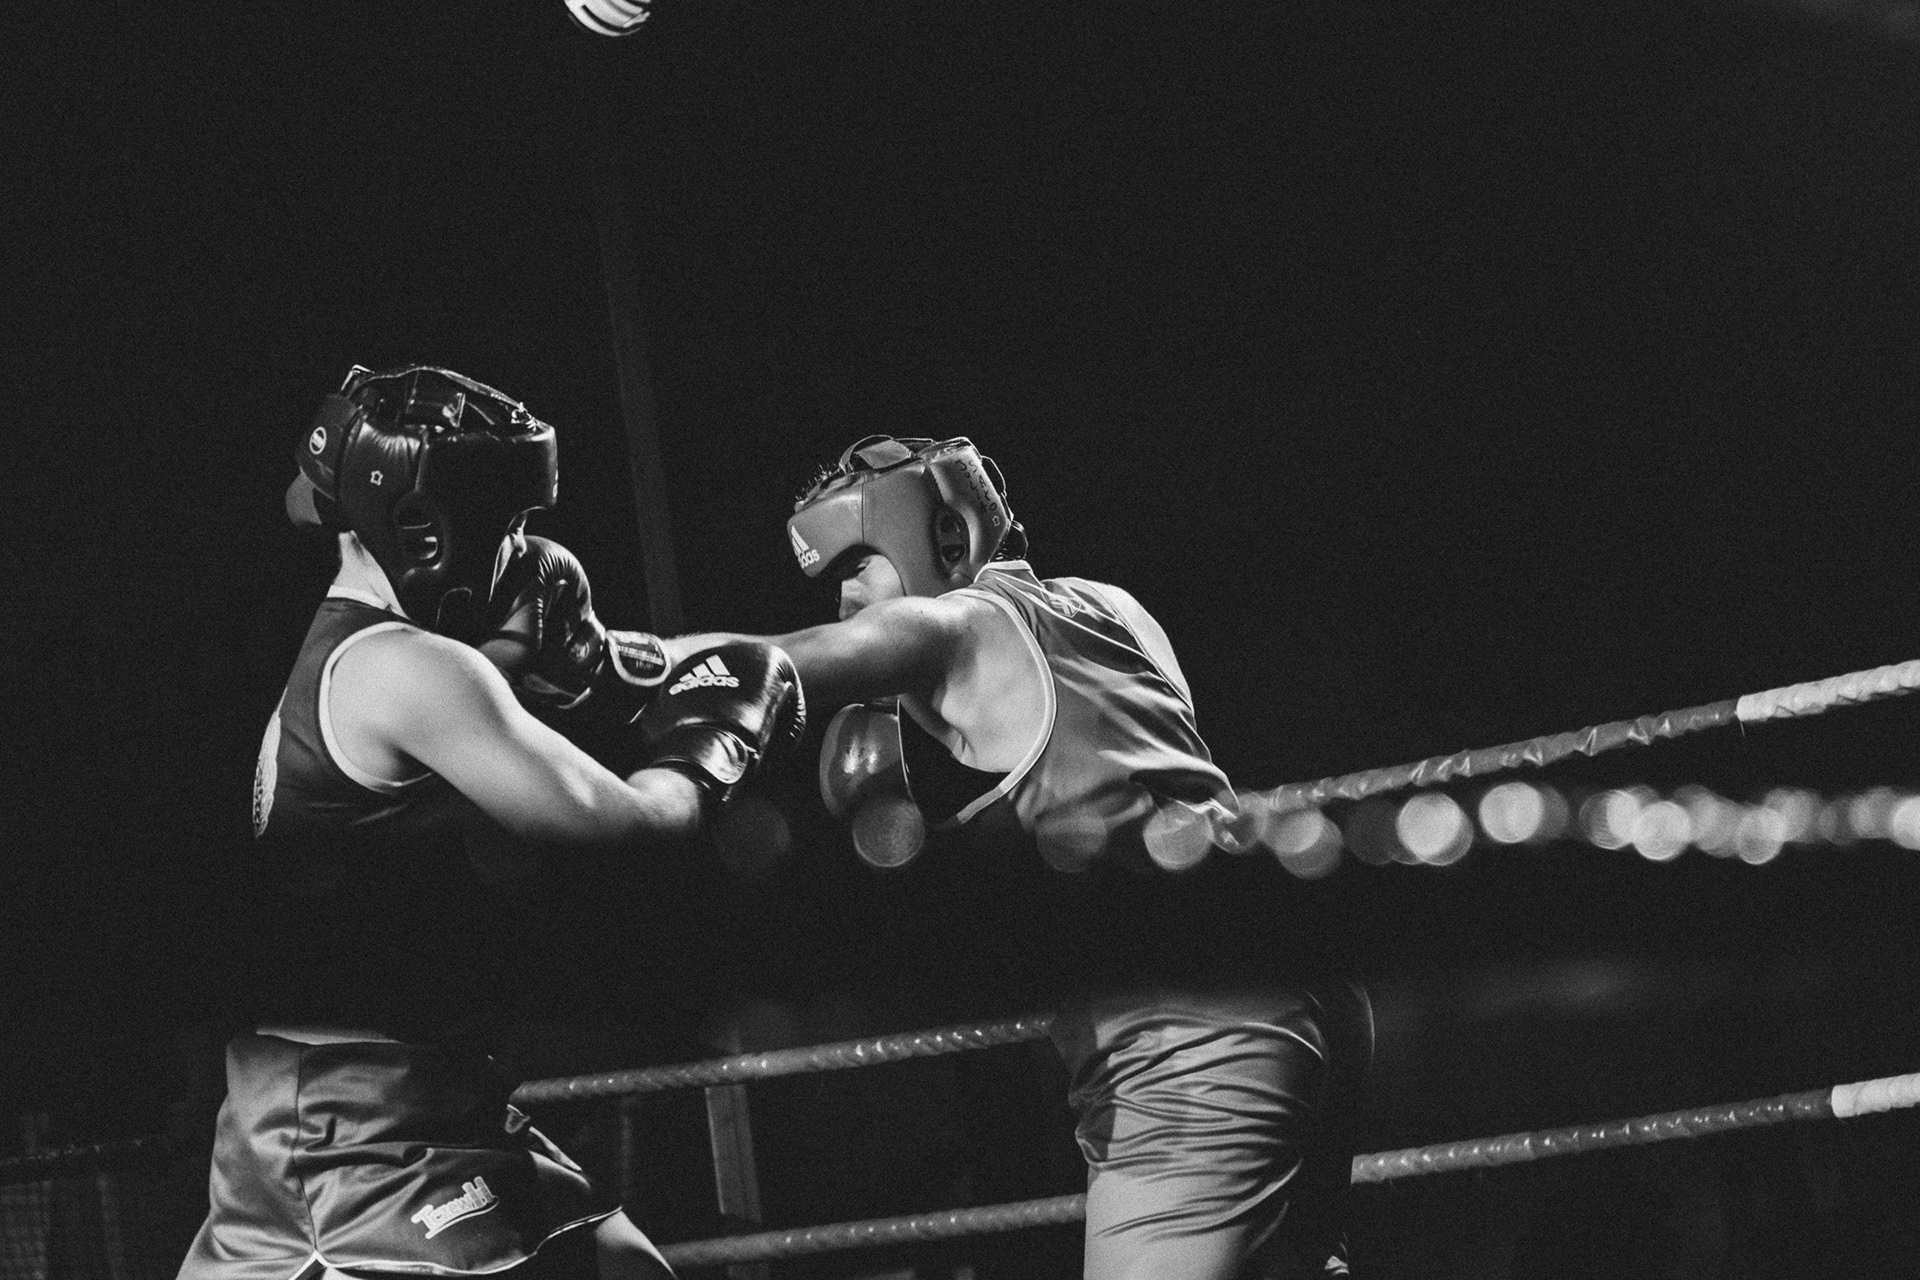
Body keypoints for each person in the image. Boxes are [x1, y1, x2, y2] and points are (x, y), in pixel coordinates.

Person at [660, 435, 1372, 1280]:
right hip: (1308, 986)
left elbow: (768, 667)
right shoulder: (1114, 608)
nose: (847, 598)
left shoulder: (956, 624)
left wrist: (594, 658)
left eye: (859, 565)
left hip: (1189, 1034)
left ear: (945, 539)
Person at [180, 365, 803, 1280]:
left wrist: (774, 660)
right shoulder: (406, 669)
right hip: (352, 1136)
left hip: (431, 1093)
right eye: (504, 522)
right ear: (427, 528)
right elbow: (631, 827)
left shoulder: (395, 653)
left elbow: (653, 667)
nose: (516, 547)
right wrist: (718, 742)